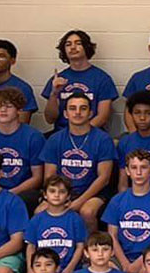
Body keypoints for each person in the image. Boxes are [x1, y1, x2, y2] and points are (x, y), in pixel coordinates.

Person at [38, 92, 116, 227]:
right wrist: (60, 198)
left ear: (90, 113)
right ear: (65, 114)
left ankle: (91, 241)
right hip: (62, 191)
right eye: (73, 108)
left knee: (87, 212)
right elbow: (50, 177)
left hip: (93, 193)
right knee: (40, 211)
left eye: (83, 108)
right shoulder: (54, 139)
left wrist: (79, 202)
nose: (78, 112)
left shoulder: (103, 139)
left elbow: (104, 178)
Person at [103, 149, 150, 273]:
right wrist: (125, 264)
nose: (139, 172)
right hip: (122, 257)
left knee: (145, 272)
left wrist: (139, 263)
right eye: (134, 168)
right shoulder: (117, 200)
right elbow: (112, 236)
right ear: (127, 171)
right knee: (107, 267)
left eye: (144, 167)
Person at [41, 28, 116, 130]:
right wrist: (54, 94)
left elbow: (102, 117)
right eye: (68, 44)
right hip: (61, 134)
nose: (73, 47)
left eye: (78, 43)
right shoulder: (57, 79)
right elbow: (50, 119)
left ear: (86, 47)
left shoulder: (102, 79)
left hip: (92, 134)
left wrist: (79, 132)